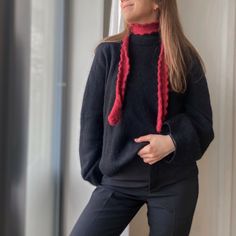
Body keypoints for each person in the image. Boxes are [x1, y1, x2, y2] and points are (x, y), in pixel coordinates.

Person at [70, 0, 215, 235]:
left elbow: (203, 123)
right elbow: (90, 118)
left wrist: (172, 141)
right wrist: (97, 170)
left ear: (158, 3)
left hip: (174, 183)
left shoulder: (184, 56)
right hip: (117, 182)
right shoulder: (108, 53)